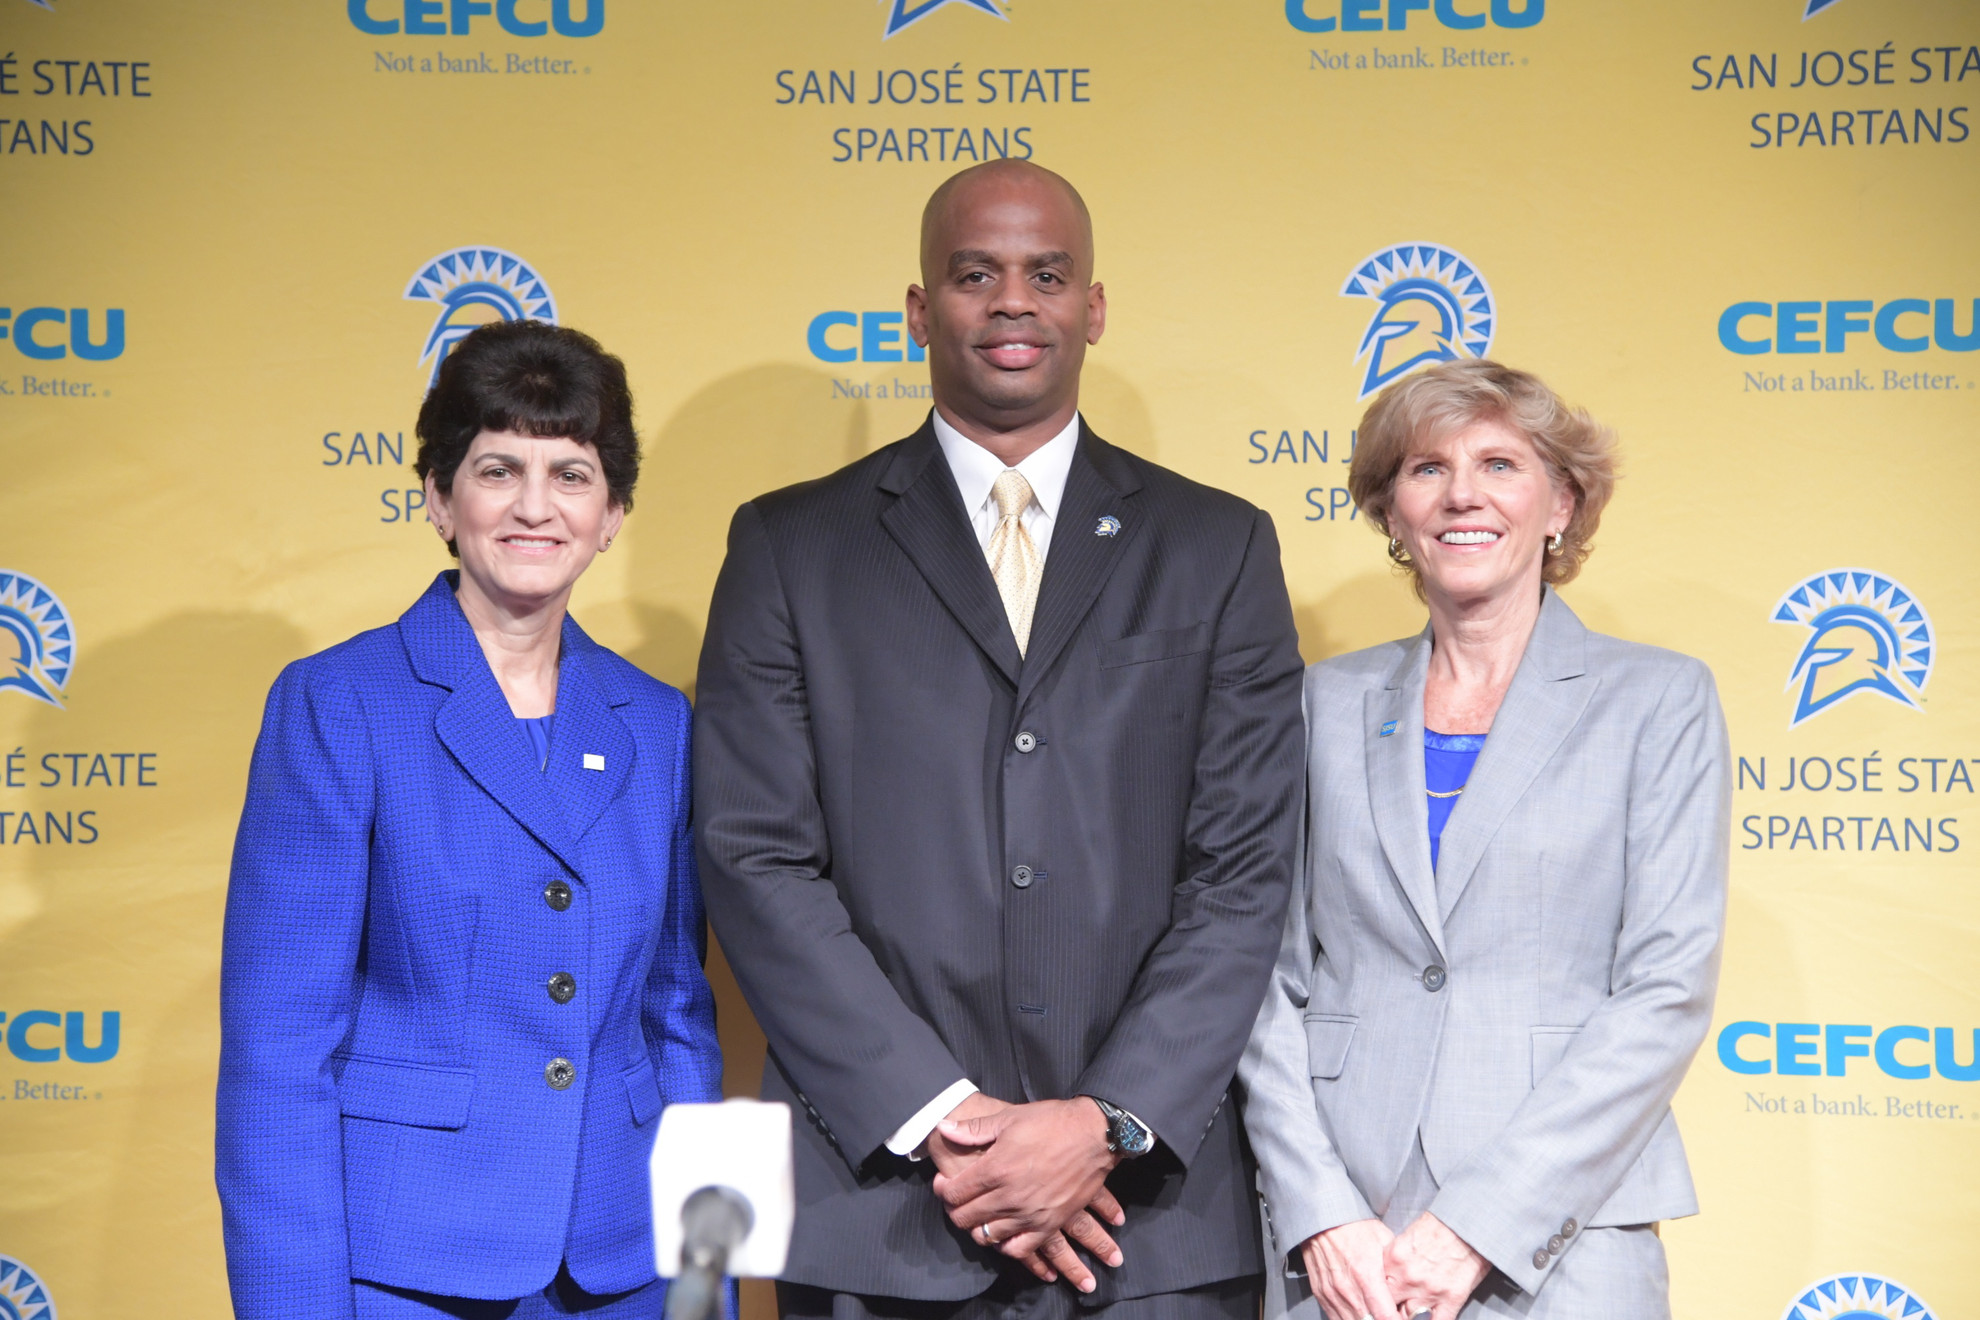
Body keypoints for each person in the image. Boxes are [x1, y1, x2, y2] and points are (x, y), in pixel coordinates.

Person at [693, 159, 1306, 1320]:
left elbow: (1244, 872)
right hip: (883, 1215)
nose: (1013, 301)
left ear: (1095, 306)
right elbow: (755, 857)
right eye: (975, 274)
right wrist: (946, 1120)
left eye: (1047, 274)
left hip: (1151, 1226)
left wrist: (1103, 1121)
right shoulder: (791, 546)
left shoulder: (1217, 548)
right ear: (921, 310)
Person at [216, 320, 722, 1320]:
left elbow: (681, 1029)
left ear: (613, 512)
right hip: (405, 1273)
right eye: (499, 469)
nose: (536, 507)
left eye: (571, 474)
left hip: (628, 1272)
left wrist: (710, 1285)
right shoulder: (340, 704)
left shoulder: (661, 724)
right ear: (441, 498)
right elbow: (278, 1058)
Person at [1237, 359, 1730, 1320]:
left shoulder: (1659, 701)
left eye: (1502, 464)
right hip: (1346, 1247)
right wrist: (1317, 1209)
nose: (1463, 493)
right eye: (1427, 469)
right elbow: (1260, 976)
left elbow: (1666, 989)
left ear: (1562, 505)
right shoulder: (1320, 702)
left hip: (1564, 1236)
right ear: (1391, 513)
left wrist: (1480, 1224)